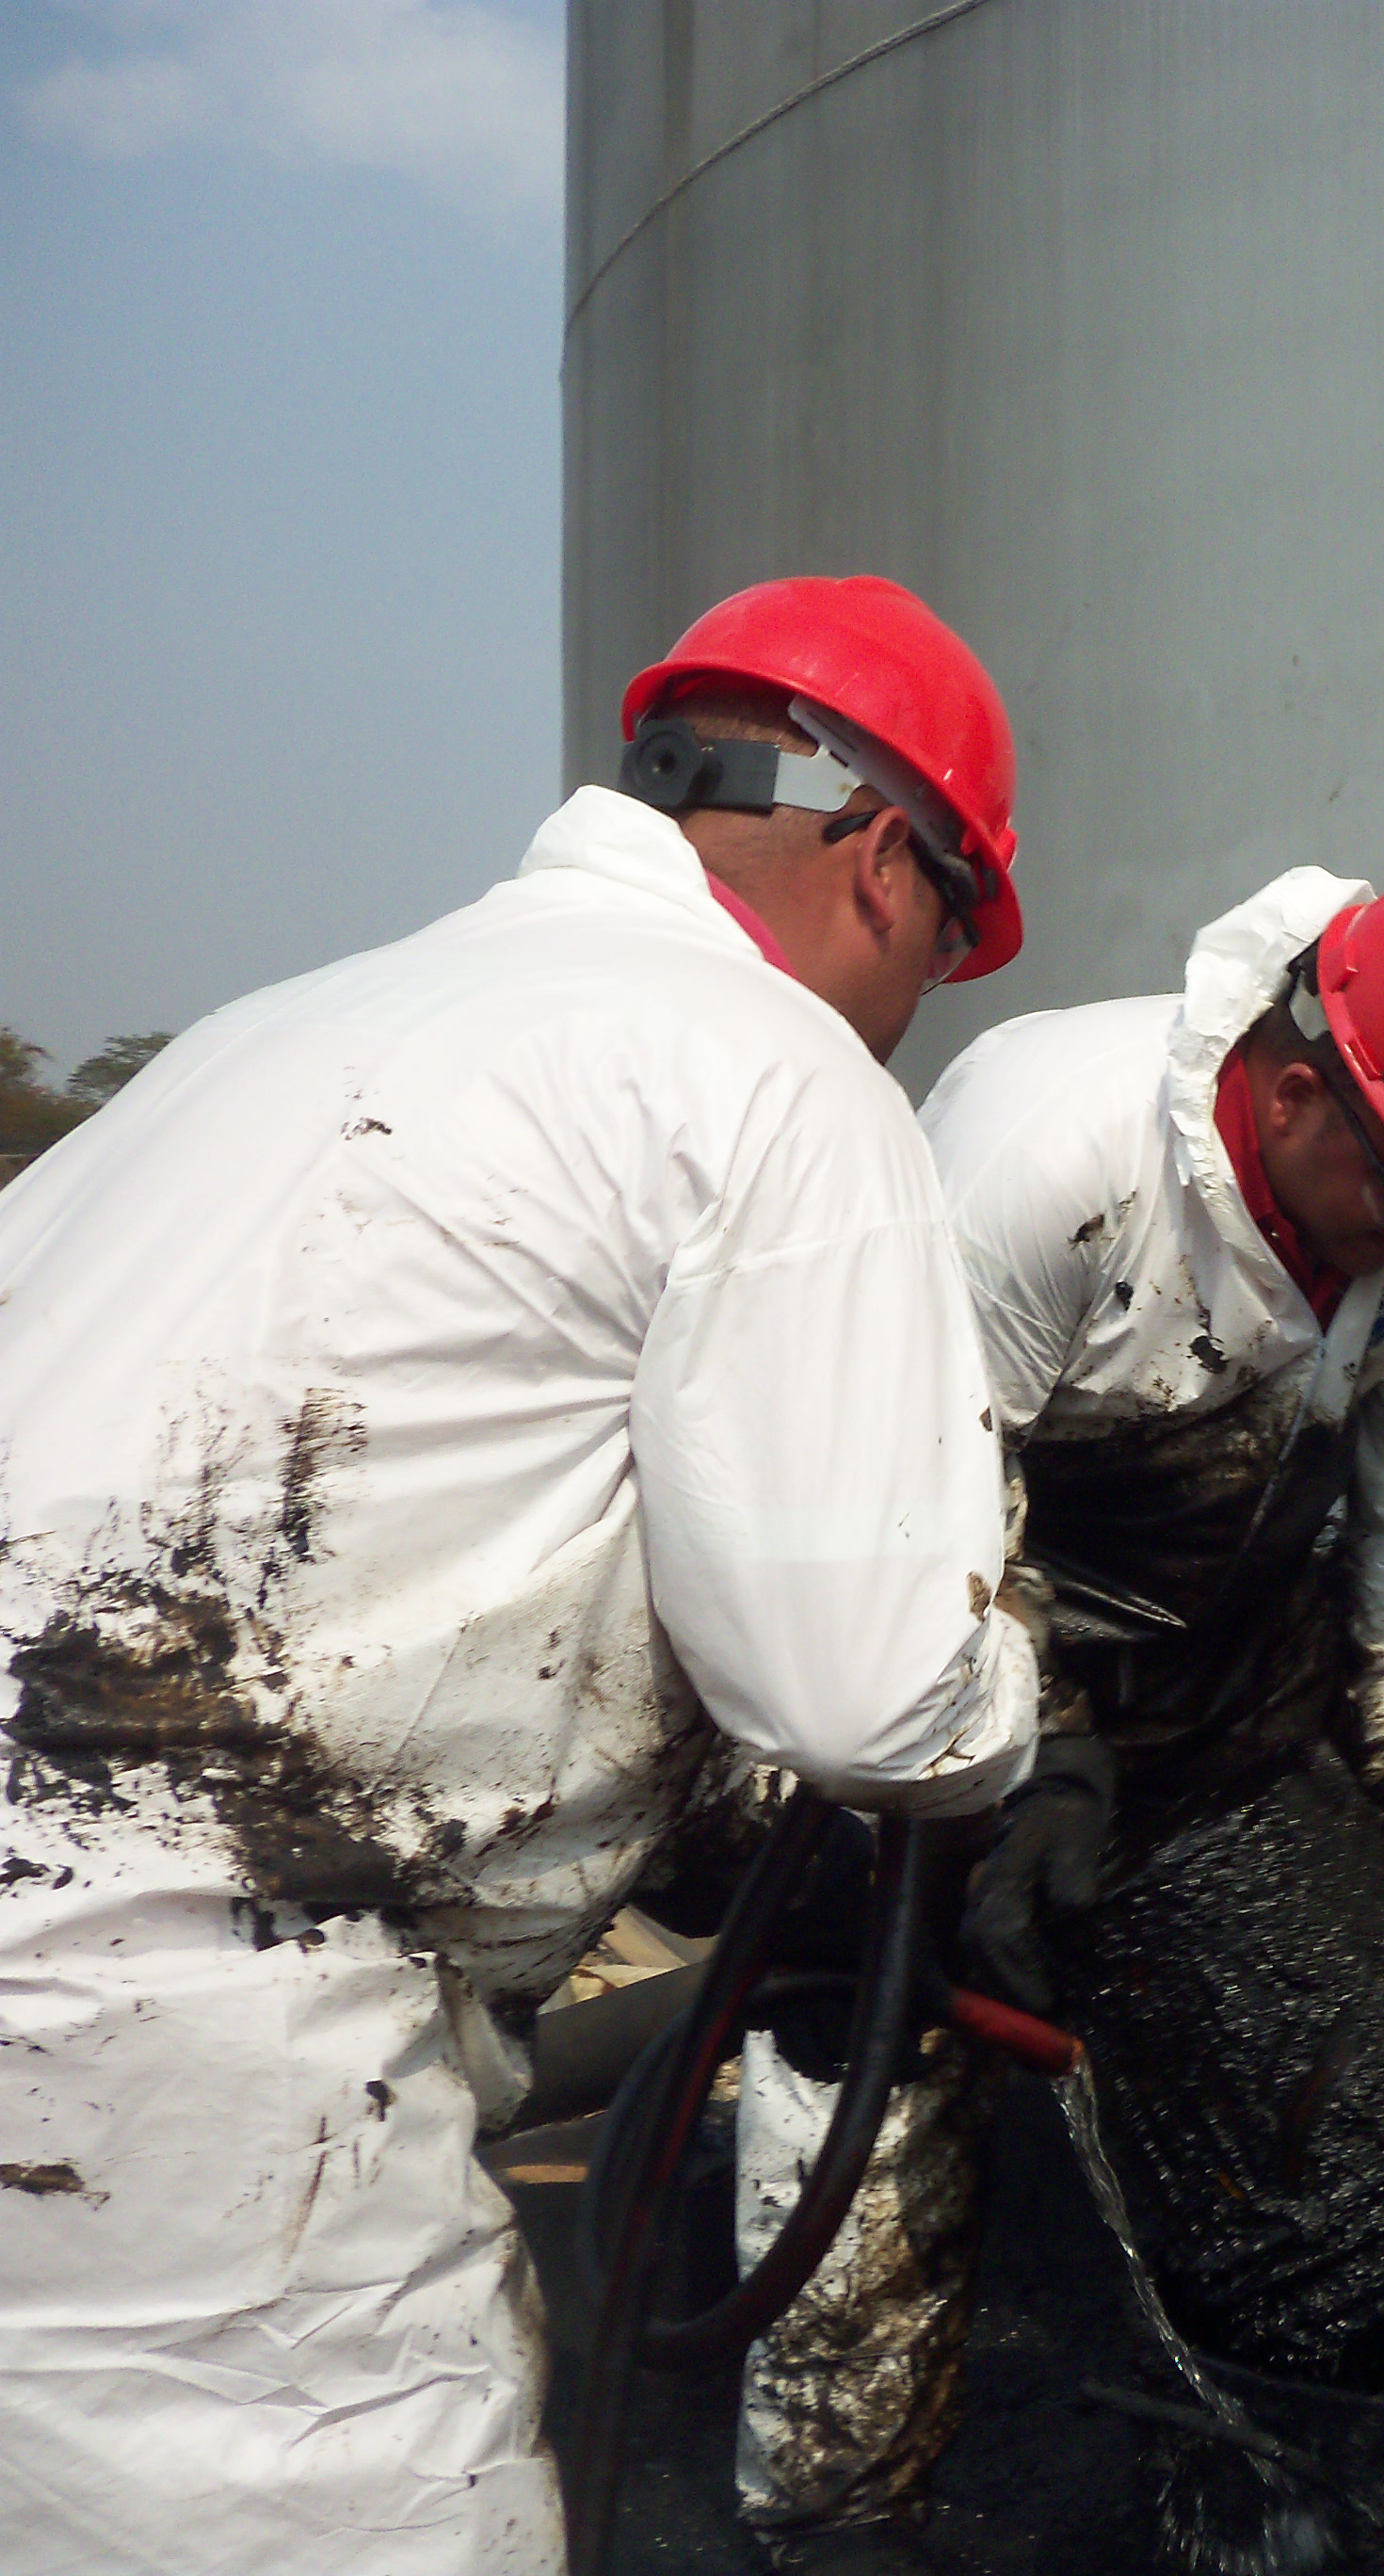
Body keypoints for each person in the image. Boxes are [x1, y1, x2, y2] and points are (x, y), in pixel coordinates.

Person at [0, 574, 1045, 2576]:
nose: (919, 1013)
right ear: (888, 862)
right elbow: (867, 1693)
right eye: (946, 953)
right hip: (189, 2084)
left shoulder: (271, 1032)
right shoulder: (772, 1071)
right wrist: (1012, 1720)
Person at [732, 867, 1384, 2573]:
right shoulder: (1046, 1156)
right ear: (1290, 1092)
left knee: (1370, 2185)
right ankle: (834, 2511)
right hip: (930, 1658)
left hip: (1224, 1684)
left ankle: (1296, 2468)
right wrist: (1026, 1752)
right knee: (886, 2047)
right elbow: (912, 1492)